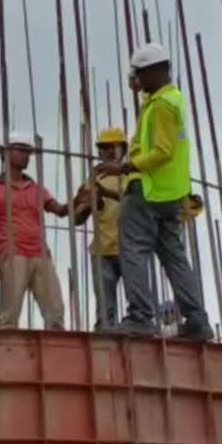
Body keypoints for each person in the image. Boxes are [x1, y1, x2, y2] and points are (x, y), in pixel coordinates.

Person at [95, 42, 213, 341]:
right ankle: (197, 320)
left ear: (154, 71)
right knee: (175, 257)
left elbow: (161, 151)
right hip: (171, 194)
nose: (135, 80)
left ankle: (141, 317)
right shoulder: (170, 99)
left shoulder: (161, 106)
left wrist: (124, 168)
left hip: (148, 191)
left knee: (132, 252)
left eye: (138, 73)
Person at [0, 134, 89, 329]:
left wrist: (79, 200)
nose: (27, 156)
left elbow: (60, 210)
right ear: (6, 154)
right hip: (12, 254)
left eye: (28, 152)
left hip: (40, 254)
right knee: (9, 318)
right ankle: (8, 354)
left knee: (56, 313)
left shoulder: (37, 189)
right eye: (21, 150)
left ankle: (56, 356)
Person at [76, 128, 129, 330]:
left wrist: (105, 192)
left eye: (112, 146)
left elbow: (134, 201)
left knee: (139, 304)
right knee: (105, 313)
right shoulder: (94, 179)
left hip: (130, 249)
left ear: (123, 149)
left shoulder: (133, 174)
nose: (107, 151)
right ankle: (106, 337)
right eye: (103, 148)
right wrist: (90, 204)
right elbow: (77, 219)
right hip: (102, 251)